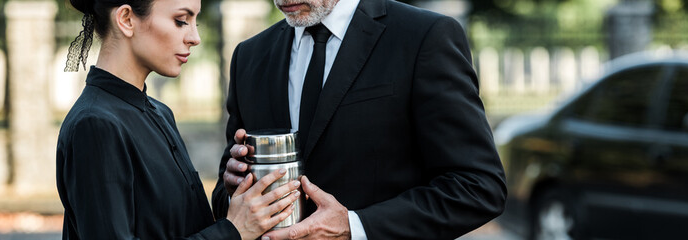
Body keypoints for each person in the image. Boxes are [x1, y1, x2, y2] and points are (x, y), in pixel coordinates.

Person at [211, 0, 507, 239]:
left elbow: (478, 186)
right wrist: (234, 187)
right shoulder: (248, 57)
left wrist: (355, 227)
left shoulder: (423, 36)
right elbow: (224, 194)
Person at [56, 0, 302, 239]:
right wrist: (232, 230)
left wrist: (240, 193)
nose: (195, 38)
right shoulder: (95, 124)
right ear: (126, 19)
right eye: (181, 21)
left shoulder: (160, 113)